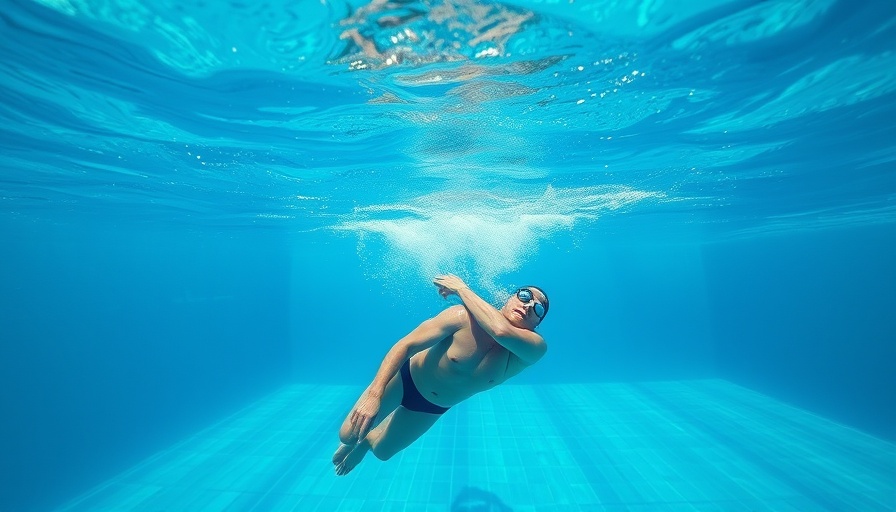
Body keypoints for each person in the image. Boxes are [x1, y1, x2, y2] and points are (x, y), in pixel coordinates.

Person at [332, 274, 549, 475]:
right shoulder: (462, 317)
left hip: (432, 407)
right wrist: (374, 395)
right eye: (524, 296)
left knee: (382, 453)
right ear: (510, 297)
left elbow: (500, 331)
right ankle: (356, 439)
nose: (529, 305)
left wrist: (462, 288)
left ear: (537, 323)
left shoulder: (534, 348)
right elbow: (406, 345)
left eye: (538, 308)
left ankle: (367, 442)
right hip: (405, 379)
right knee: (347, 436)